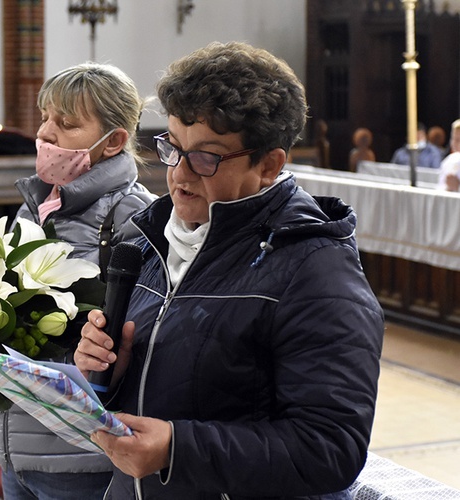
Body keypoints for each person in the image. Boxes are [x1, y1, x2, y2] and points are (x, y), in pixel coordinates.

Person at [74, 41, 384, 499]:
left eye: (207, 157)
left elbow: (330, 448)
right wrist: (111, 375)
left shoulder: (316, 270)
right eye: (172, 147)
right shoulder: (150, 239)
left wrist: (178, 449)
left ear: (269, 165)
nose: (179, 175)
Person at [0, 62, 156, 500]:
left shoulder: (134, 218)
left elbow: (138, 340)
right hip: (16, 443)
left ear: (114, 141)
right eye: (45, 118)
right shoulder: (36, 204)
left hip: (78, 454)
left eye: (67, 123)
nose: (46, 134)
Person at [438, 119, 460, 191]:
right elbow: (439, 189)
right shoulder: (449, 161)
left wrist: (457, 188)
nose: (454, 143)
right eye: (453, 138)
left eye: (458, 140)